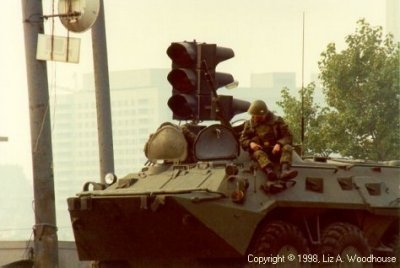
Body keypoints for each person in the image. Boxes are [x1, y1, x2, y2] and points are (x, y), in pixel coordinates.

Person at [239, 100, 298, 191]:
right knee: (258, 153)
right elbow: (242, 140)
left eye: (258, 117)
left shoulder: (277, 121)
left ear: (265, 115)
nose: (255, 118)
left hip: (277, 151)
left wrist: (279, 144)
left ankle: (285, 170)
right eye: (254, 116)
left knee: (288, 147)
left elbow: (288, 136)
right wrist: (250, 143)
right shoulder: (249, 124)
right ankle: (269, 172)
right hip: (261, 151)